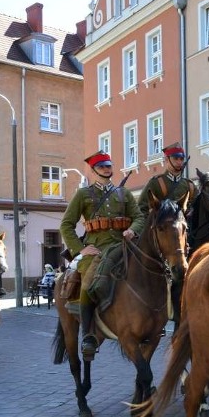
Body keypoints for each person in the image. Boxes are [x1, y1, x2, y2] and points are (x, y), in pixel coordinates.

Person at [59, 151, 145, 361]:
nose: (107, 169)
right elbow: (66, 225)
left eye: (109, 165)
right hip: (96, 249)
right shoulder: (84, 195)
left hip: (124, 247)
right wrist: (80, 249)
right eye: (103, 166)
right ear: (94, 170)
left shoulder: (123, 193)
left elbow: (139, 217)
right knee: (89, 282)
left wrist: (132, 230)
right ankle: (88, 335)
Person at [137, 143, 198, 328]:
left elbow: (196, 210)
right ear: (167, 160)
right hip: (161, 237)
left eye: (181, 158)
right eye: (175, 158)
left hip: (181, 236)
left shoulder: (189, 186)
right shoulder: (157, 182)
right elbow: (141, 208)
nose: (179, 162)